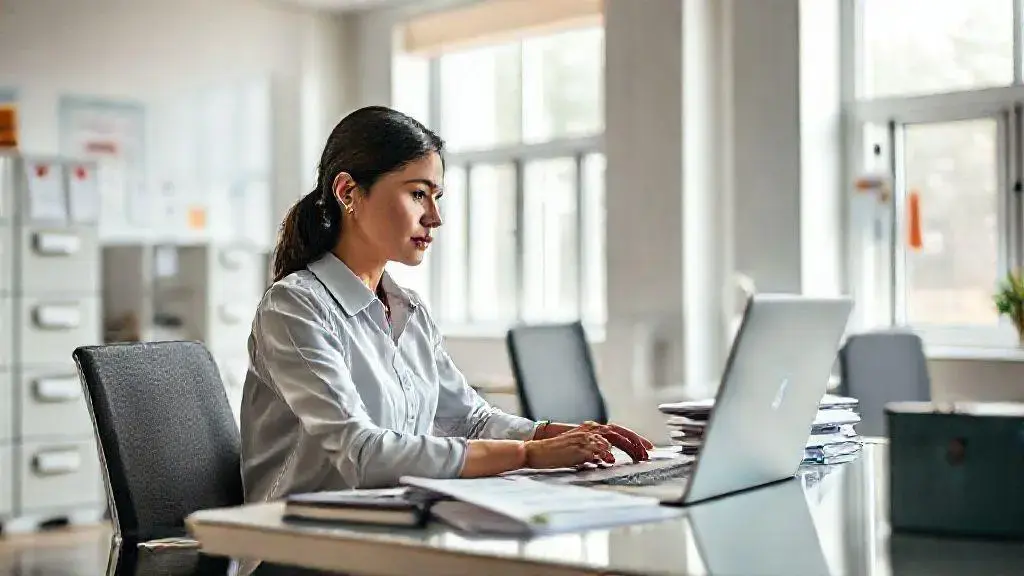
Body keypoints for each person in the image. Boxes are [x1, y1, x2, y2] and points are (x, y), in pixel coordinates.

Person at [240, 105, 654, 514]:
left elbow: (468, 420)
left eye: (436, 197)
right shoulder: (294, 307)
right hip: (297, 547)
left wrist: (549, 434)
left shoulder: (409, 310)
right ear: (348, 192)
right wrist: (526, 453)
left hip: (396, 527)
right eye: (417, 193)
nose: (434, 217)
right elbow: (363, 456)